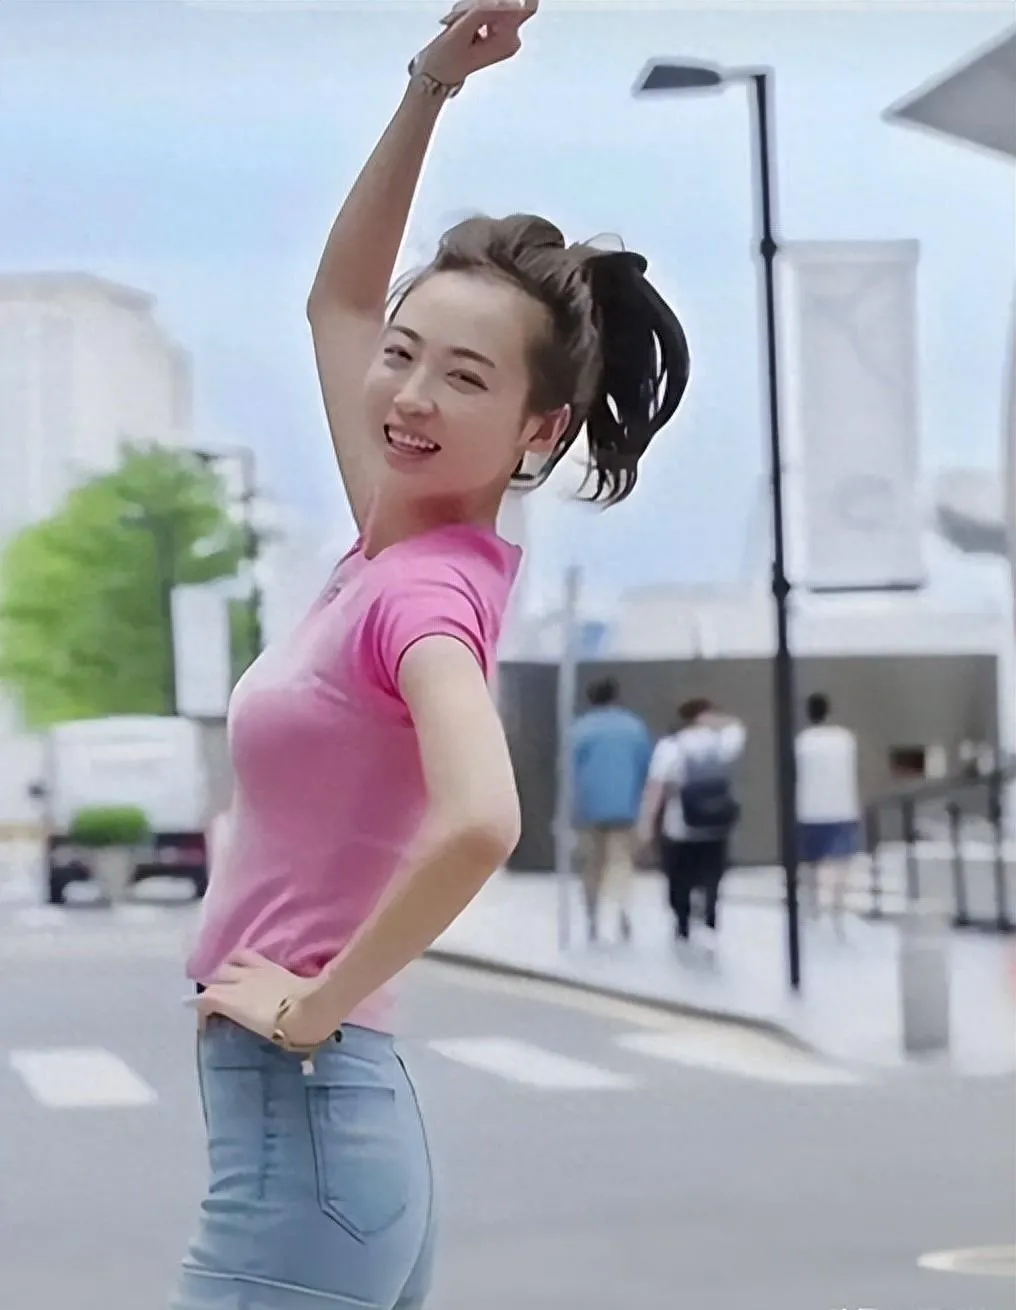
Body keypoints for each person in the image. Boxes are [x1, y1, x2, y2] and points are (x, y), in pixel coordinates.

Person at [171, 4, 691, 1308]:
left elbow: (481, 818)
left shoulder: (419, 598)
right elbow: (341, 299)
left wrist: (309, 1003)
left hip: (305, 1115)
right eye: (403, 358)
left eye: (464, 377)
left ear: (538, 428)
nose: (408, 394)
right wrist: (429, 87)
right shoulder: (394, 539)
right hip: (326, 1129)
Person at [638, 699, 745, 951]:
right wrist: (714, 720)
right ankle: (709, 918)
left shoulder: (670, 746)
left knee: (679, 875)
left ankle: (683, 922)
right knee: (712, 872)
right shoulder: (720, 742)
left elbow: (656, 787)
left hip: (680, 824)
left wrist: (646, 821)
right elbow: (737, 727)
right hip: (715, 824)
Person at [570, 676, 652, 943]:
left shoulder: (580, 729)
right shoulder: (634, 727)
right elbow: (646, 768)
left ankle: (592, 917)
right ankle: (622, 913)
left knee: (592, 864)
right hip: (626, 806)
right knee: (621, 862)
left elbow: (570, 772)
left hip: (589, 808)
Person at [796, 691, 861, 934]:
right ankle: (837, 908)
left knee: (810, 863)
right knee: (841, 861)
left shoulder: (802, 741)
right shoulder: (845, 739)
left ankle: (811, 907)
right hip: (842, 807)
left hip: (809, 809)